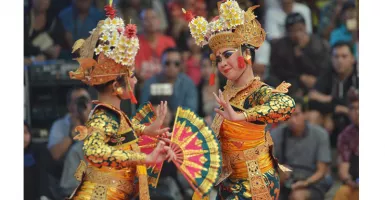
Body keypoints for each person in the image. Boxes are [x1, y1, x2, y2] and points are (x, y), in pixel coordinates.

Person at [184, 1, 295, 199]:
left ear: (246, 53)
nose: (223, 64)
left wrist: (243, 115)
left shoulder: (257, 91)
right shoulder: (227, 92)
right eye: (218, 59)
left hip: (255, 181)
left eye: (227, 55)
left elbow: (287, 104)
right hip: (228, 180)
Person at [67, 2, 175, 199]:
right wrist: (146, 157)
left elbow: (119, 132)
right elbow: (92, 149)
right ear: (116, 85)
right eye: (130, 75)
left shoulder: (111, 113)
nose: (134, 80)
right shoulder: (103, 116)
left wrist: (146, 130)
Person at [271, 98, 333, 200]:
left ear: (305, 114)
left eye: (296, 115)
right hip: (286, 181)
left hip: (312, 182)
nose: (292, 120)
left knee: (297, 196)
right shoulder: (277, 134)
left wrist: (305, 183)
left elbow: (321, 172)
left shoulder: (320, 134)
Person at [270, 12, 329, 97]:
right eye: (293, 31)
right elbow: (278, 70)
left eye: (300, 29)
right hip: (292, 82)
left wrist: (302, 56)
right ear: (287, 32)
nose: (297, 34)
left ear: (305, 27)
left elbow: (321, 68)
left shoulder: (317, 44)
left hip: (315, 79)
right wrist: (300, 77)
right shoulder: (281, 46)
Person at [140, 48, 198, 113]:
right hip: (155, 121)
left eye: (176, 64)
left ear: (181, 65)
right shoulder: (150, 83)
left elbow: (191, 111)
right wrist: (157, 111)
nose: (171, 66)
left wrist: (172, 115)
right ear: (161, 63)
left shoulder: (188, 84)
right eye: (167, 63)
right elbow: (143, 110)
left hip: (180, 122)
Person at [333, 88, 359, 200]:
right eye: (353, 109)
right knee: (341, 193)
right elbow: (344, 165)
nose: (357, 112)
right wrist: (349, 180)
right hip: (356, 184)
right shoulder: (346, 135)